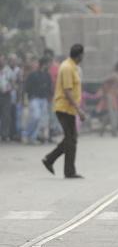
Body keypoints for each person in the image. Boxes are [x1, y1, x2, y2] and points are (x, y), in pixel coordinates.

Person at [42, 44, 86, 178]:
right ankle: (66, 169)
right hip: (64, 108)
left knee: (71, 139)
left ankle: (51, 160)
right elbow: (67, 90)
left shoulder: (72, 67)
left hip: (69, 109)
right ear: (80, 55)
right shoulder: (67, 67)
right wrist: (79, 110)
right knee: (71, 139)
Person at [23, 57, 52, 143]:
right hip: (34, 98)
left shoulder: (47, 75)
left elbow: (50, 87)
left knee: (40, 120)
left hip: (44, 99)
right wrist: (27, 98)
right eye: (47, 64)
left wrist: (49, 96)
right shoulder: (33, 75)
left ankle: (33, 137)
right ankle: (26, 133)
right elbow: (26, 88)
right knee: (36, 116)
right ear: (44, 64)